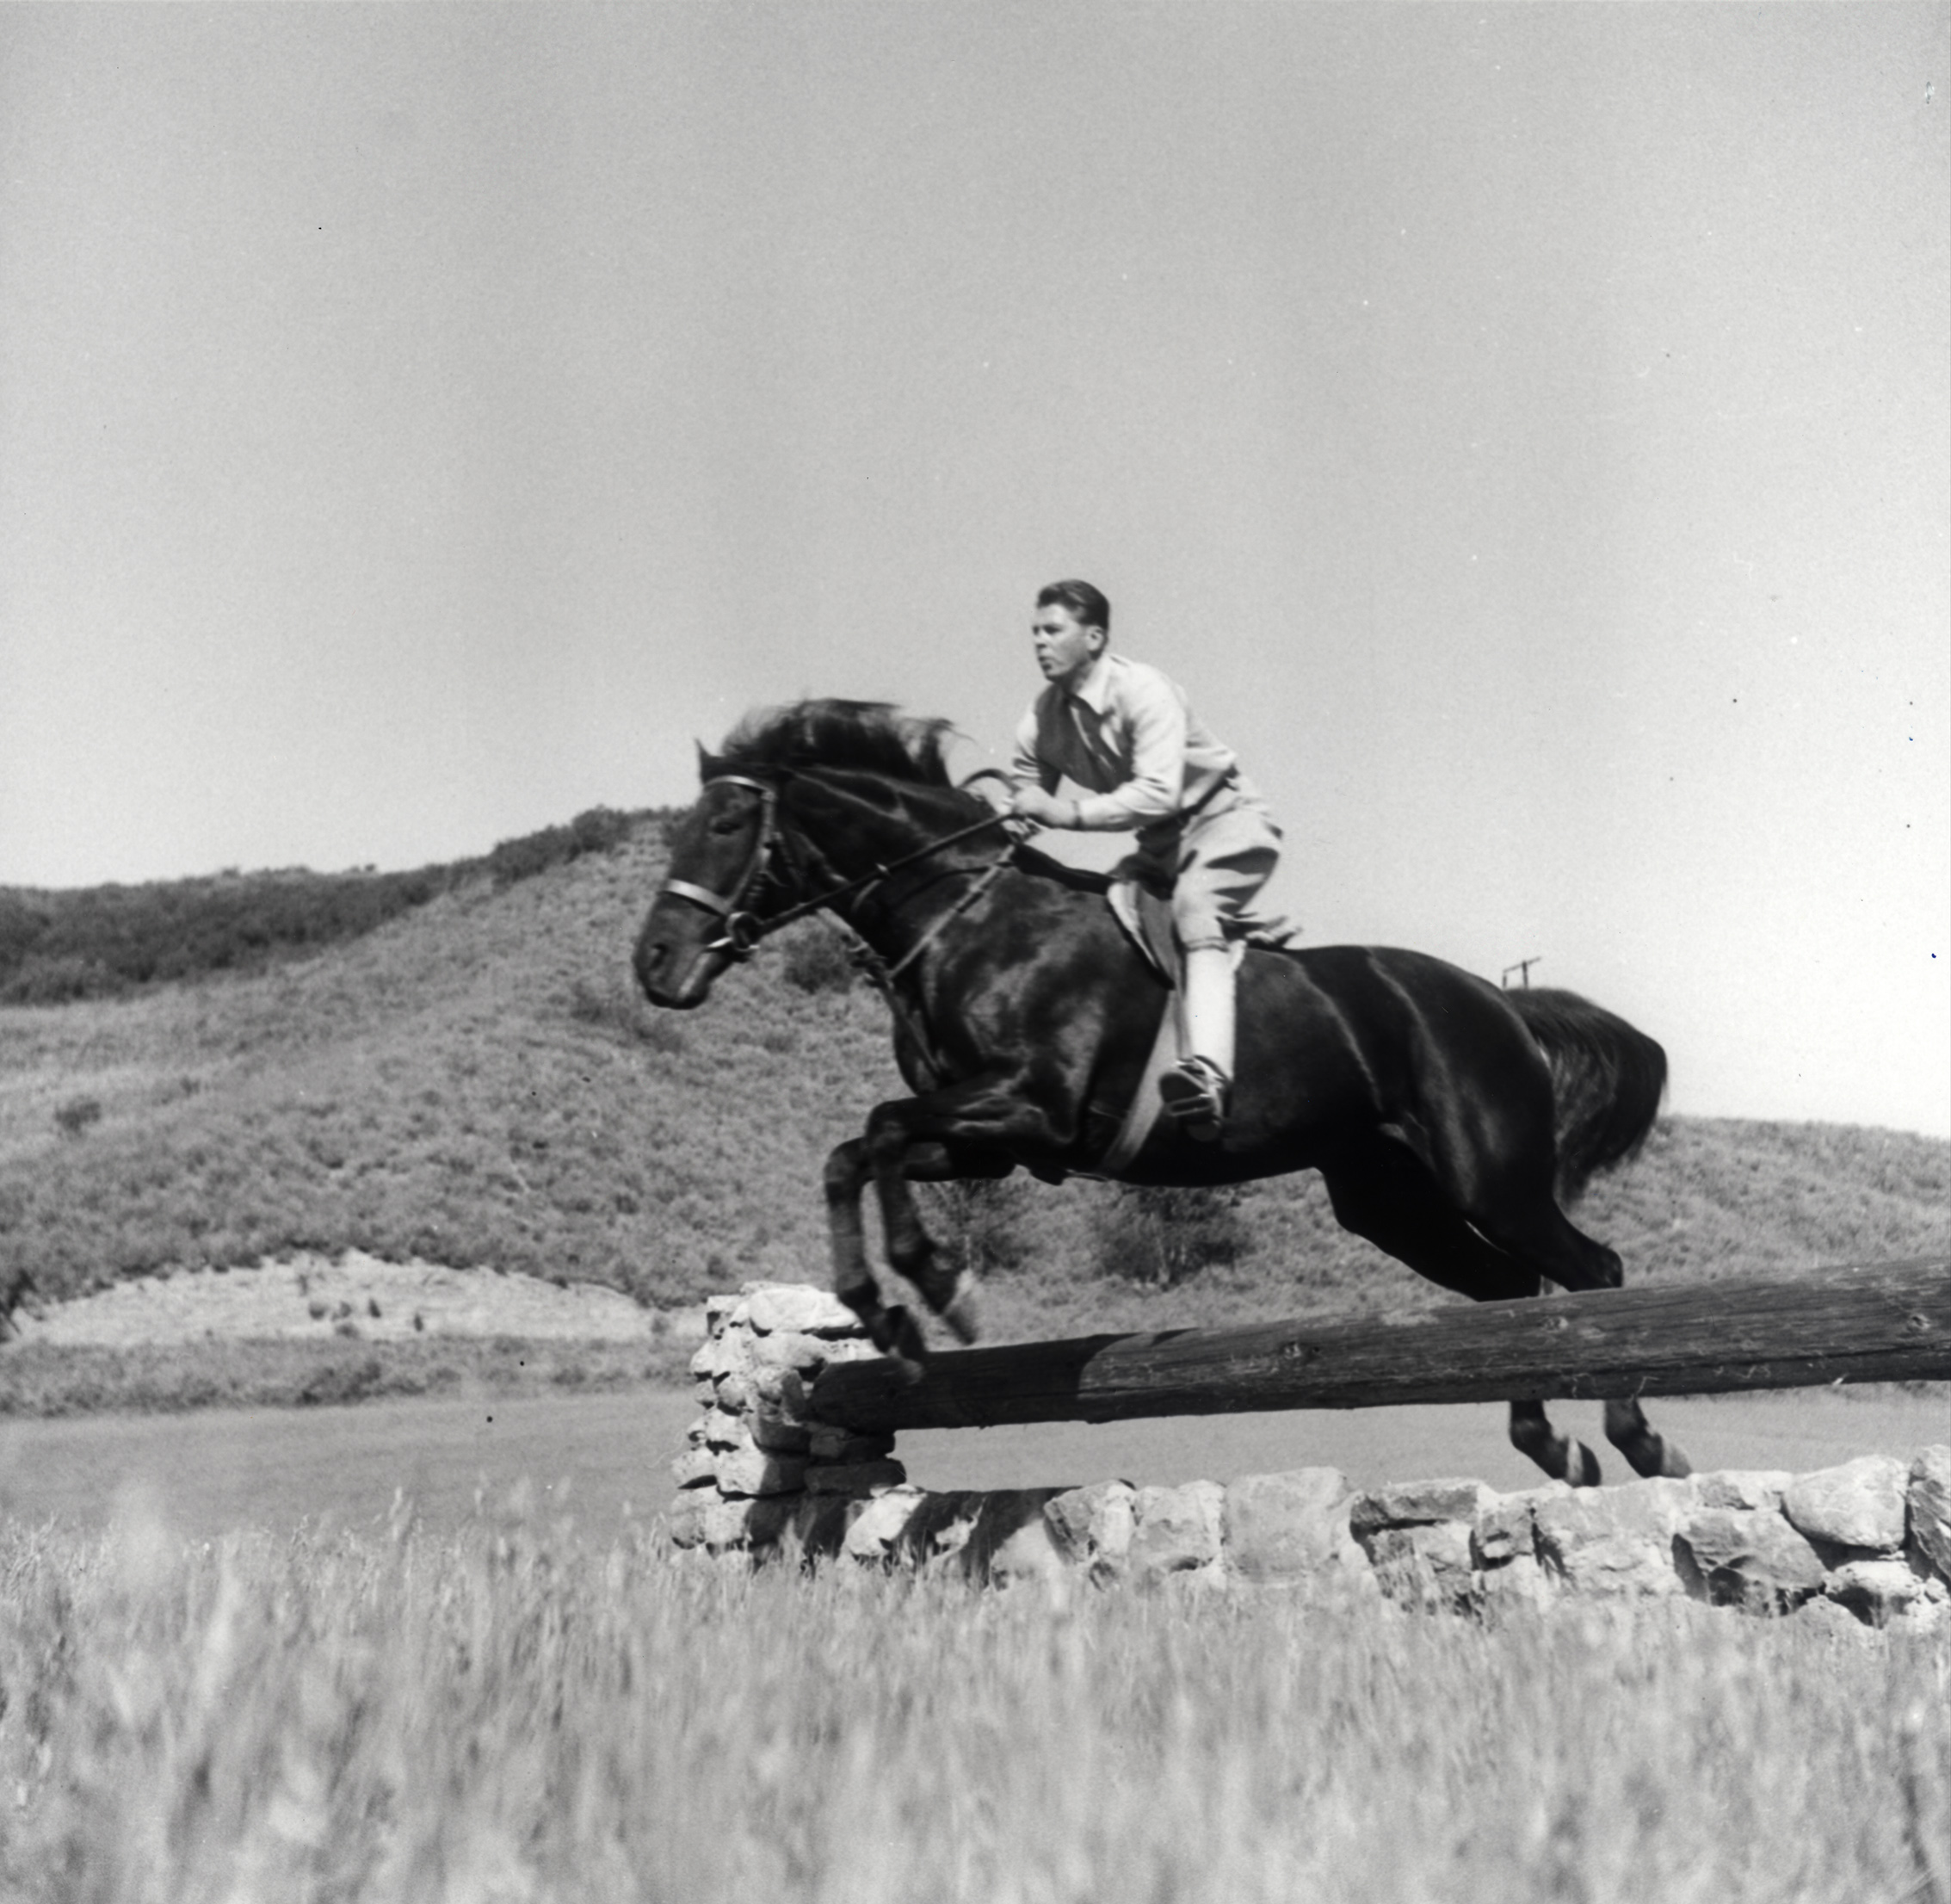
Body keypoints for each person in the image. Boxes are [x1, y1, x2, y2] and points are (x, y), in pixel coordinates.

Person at [1007, 579, 1282, 1140]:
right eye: (1034, 631)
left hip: (1225, 821)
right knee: (1092, 923)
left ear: (1094, 637)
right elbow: (1023, 803)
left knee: (1195, 906)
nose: (1039, 642)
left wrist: (1063, 814)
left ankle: (1207, 1076)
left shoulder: (1144, 691)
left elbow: (1157, 794)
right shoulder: (1040, 719)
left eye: (1052, 630)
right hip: (1157, 849)